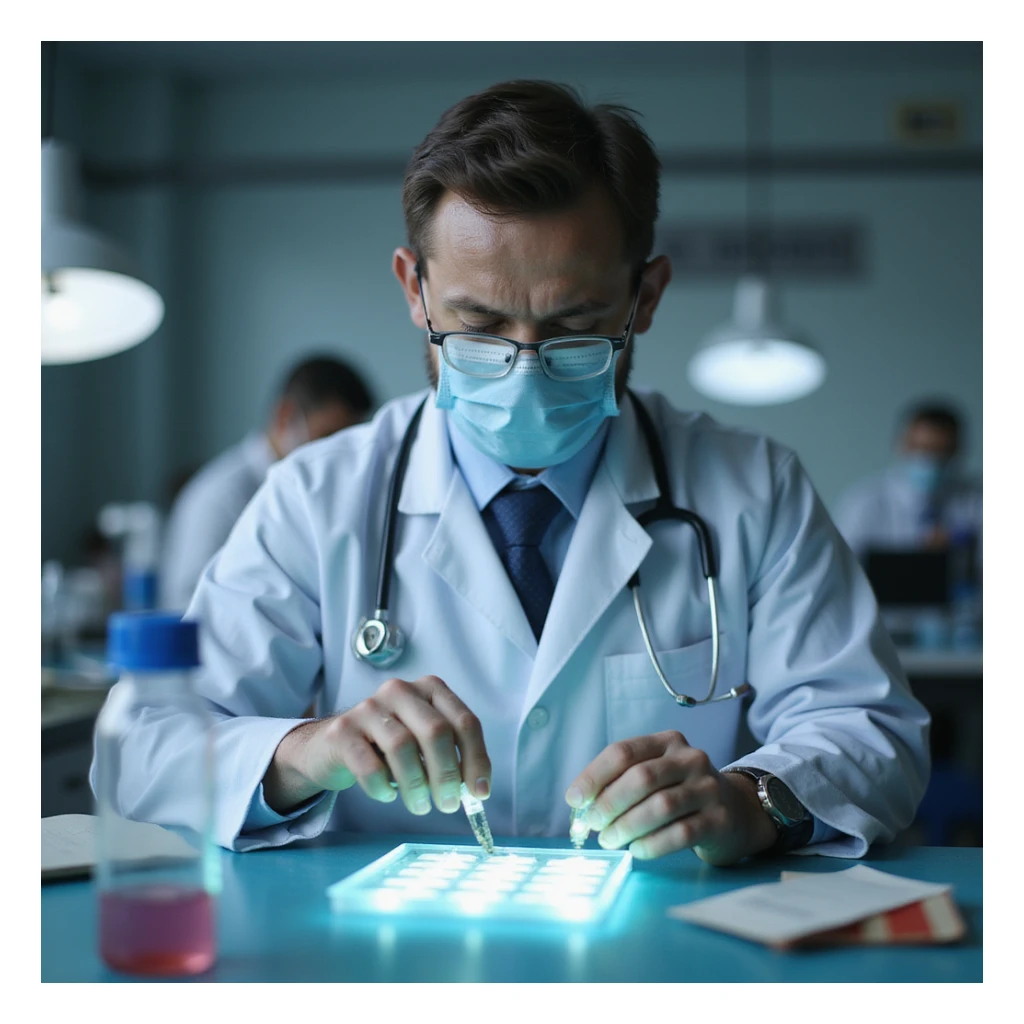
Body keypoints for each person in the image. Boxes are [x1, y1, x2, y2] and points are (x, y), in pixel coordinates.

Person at [97, 81, 929, 867]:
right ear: (415, 289)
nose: (524, 368)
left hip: (662, 933)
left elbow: (870, 728)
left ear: (644, 298)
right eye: (479, 323)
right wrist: (305, 751)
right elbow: (141, 749)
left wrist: (751, 802)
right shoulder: (317, 499)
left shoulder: (754, 490)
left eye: (573, 326)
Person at [159, 355, 374, 610]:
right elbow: (189, 605)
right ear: (285, 417)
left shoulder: (332, 496)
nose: (337, 454)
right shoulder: (218, 497)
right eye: (327, 436)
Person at [833, 401, 982, 561]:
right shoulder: (863, 502)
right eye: (921, 448)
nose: (930, 459)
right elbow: (844, 564)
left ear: (958, 450)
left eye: (942, 450)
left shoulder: (978, 500)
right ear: (902, 444)